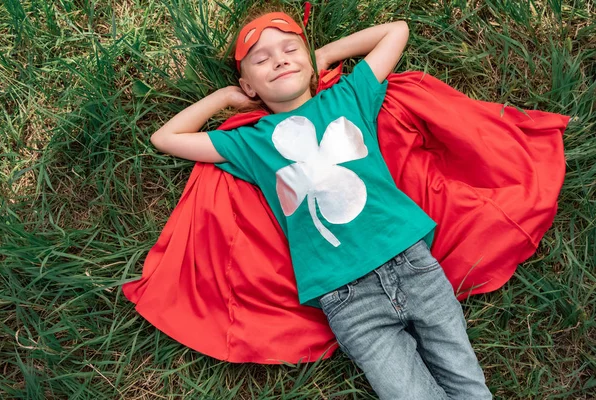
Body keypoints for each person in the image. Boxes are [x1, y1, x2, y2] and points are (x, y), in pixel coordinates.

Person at [148, 7, 492, 400]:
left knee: (468, 384)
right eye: (261, 59)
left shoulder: (348, 96)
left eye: (291, 50)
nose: (278, 60)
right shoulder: (251, 142)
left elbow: (396, 31)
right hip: (346, 299)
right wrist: (225, 97)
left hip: (413, 265)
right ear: (250, 85)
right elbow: (167, 137)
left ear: (309, 64)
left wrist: (325, 55)